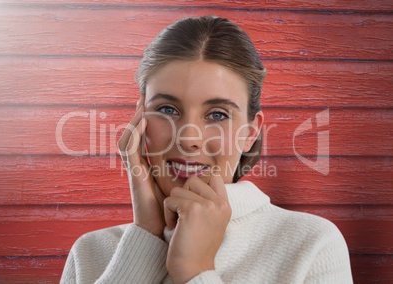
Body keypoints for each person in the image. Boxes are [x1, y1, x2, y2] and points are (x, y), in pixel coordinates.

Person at [60, 15, 353, 283]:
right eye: (166, 109)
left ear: (250, 132)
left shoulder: (312, 245)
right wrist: (146, 237)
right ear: (139, 120)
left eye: (217, 115)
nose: (189, 139)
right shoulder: (91, 253)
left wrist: (196, 269)